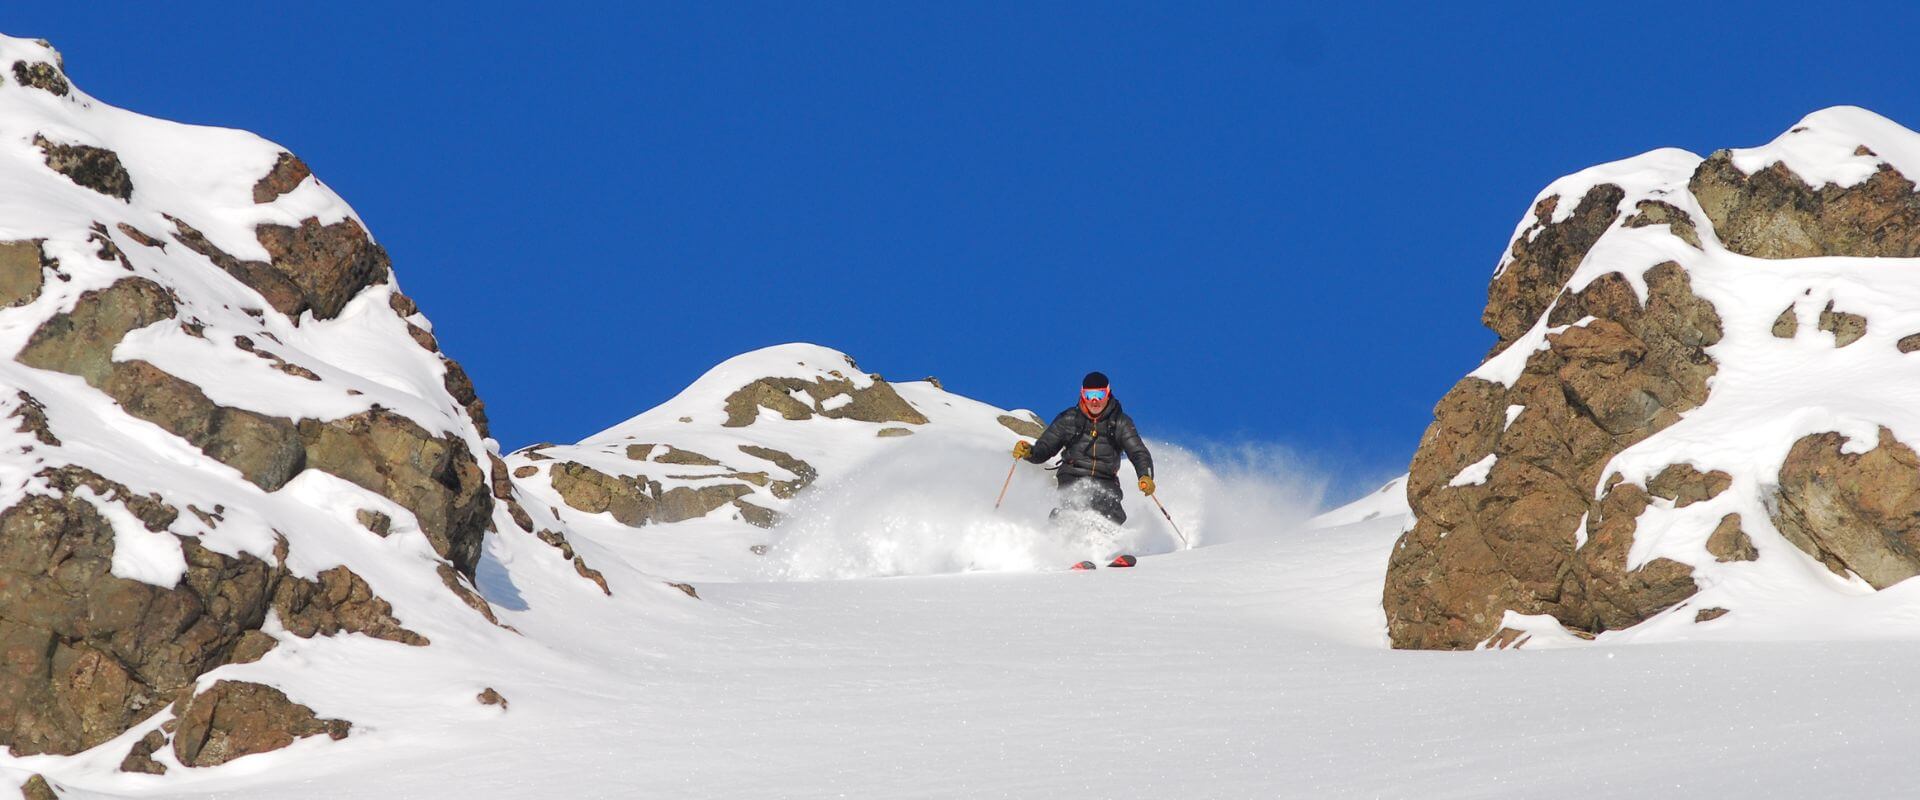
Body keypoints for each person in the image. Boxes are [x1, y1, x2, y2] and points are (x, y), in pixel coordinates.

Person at [1012, 371, 1154, 529]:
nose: (1094, 401)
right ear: (1082, 394)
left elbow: (1138, 452)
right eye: (1089, 395)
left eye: (1099, 395)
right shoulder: (1069, 419)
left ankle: (1109, 545)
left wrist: (1145, 476)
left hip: (1106, 479)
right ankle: (1058, 536)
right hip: (1073, 475)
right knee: (1077, 499)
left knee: (1110, 509)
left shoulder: (1120, 423)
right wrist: (1029, 452)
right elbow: (1044, 448)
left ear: (1108, 394)